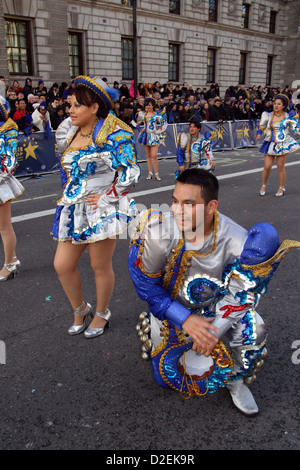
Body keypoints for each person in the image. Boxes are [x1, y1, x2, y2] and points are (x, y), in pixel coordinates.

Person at [128, 168, 300, 415]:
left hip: (216, 306)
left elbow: (242, 293)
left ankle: (234, 380)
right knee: (163, 378)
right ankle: (156, 329)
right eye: (175, 201)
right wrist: (183, 318)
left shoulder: (238, 241)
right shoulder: (159, 232)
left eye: (189, 204)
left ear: (211, 207)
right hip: (169, 306)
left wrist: (215, 330)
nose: (177, 210)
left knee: (256, 328)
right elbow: (146, 285)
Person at [51, 75, 140, 339]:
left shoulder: (114, 133)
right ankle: (81, 309)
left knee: (99, 265)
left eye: (77, 105)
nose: (71, 110)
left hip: (102, 209)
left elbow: (131, 171)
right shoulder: (69, 130)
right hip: (73, 209)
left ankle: (102, 312)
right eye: (70, 105)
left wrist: (109, 196)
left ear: (94, 107)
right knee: (62, 265)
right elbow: (65, 170)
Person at [0, 96, 24, 281]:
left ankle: (9, 263)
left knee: (4, 227)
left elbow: (10, 160)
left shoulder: (8, 129)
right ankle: (12, 259)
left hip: (1, 183)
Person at [256, 94, 300, 197]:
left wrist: (298, 131)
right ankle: (263, 185)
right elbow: (262, 126)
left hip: (282, 143)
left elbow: (294, 128)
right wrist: (259, 133)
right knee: (267, 166)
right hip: (269, 142)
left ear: (283, 106)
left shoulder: (287, 116)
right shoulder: (268, 115)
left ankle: (281, 187)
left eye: (279, 104)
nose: (276, 106)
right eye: (275, 103)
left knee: (280, 166)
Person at [136, 97, 167, 181]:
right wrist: (140, 129)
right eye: (147, 105)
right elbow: (136, 123)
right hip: (145, 136)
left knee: (154, 155)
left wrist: (157, 131)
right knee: (149, 156)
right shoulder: (142, 114)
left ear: (153, 106)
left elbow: (164, 124)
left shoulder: (157, 115)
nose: (148, 107)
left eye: (150, 105)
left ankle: (156, 173)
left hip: (154, 136)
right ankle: (150, 173)